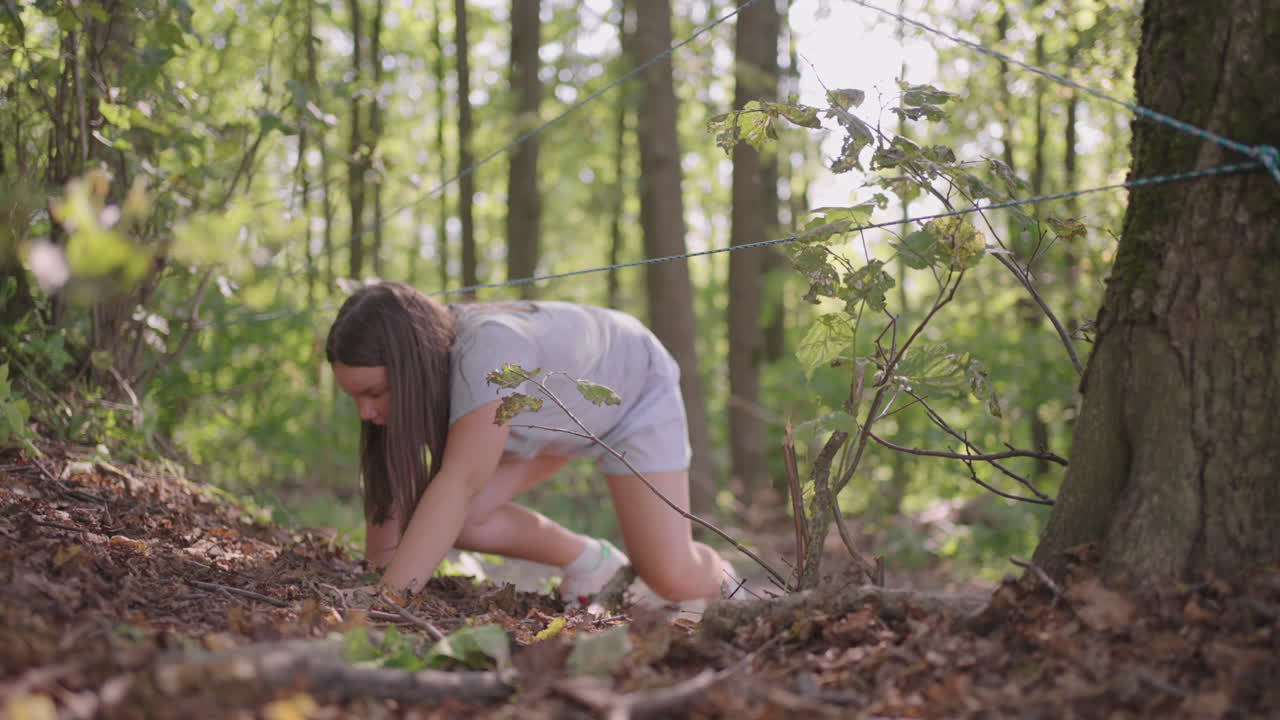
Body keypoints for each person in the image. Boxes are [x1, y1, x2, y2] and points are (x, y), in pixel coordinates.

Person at [325, 281, 735, 607]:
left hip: (631, 390)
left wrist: (390, 600)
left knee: (671, 576)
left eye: (375, 393)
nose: (365, 411)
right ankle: (594, 564)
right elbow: (393, 487)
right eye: (356, 397)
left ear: (409, 366)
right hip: (544, 421)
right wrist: (377, 576)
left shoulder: (486, 349)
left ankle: (730, 584)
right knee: (454, 517)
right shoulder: (425, 363)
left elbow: (461, 482)